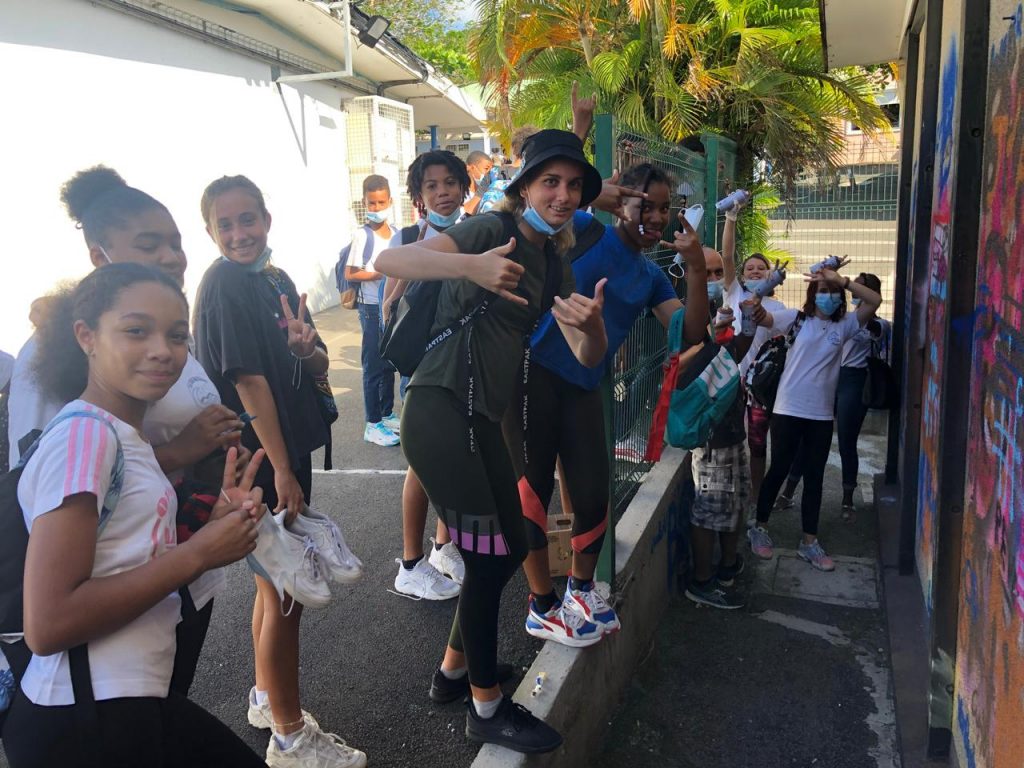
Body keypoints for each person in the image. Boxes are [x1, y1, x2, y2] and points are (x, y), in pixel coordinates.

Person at [374, 129, 609, 753]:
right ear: (525, 186)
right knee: (487, 558)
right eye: (550, 182)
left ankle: (454, 672)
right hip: (440, 410)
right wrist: (469, 265)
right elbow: (391, 263)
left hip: (482, 420)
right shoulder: (488, 230)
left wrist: (593, 329)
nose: (562, 195)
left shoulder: (554, 261)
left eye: (573, 185)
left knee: (511, 547)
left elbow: (585, 354)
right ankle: (485, 706)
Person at [4, 262, 267, 768]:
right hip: (84, 720)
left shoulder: (122, 436)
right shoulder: (86, 437)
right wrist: (197, 554)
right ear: (86, 336)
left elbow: (121, 562)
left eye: (177, 335)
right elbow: (49, 623)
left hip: (126, 704)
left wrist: (214, 526)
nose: (163, 350)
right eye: (136, 330)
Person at [9, 166, 248, 697]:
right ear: (99, 256)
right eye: (149, 244)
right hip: (106, 621)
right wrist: (181, 449)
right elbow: (44, 479)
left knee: (166, 700)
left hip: (179, 575)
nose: (171, 256)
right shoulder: (54, 354)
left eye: (176, 243)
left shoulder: (167, 334)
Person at [194, 175, 366, 768]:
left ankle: (267, 699)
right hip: (261, 460)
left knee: (273, 586)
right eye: (225, 224)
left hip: (281, 451)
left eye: (248, 219)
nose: (239, 232)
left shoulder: (275, 279)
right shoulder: (223, 286)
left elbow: (316, 361)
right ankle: (291, 737)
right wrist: (285, 471)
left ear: (267, 219)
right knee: (289, 591)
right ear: (210, 232)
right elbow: (247, 383)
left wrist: (303, 349)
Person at [505, 163, 705, 644]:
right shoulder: (584, 230)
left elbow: (690, 332)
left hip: (584, 385)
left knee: (594, 494)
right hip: (532, 375)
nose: (656, 217)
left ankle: (580, 590)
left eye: (665, 208)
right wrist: (592, 193)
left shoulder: (651, 276)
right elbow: (529, 208)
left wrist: (697, 268)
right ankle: (541, 605)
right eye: (646, 205)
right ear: (621, 203)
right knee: (531, 493)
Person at [747, 261, 882, 571]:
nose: (828, 296)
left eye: (833, 292)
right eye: (823, 290)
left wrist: (842, 280)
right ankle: (759, 528)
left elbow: (874, 300)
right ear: (812, 293)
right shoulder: (795, 319)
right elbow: (759, 314)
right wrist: (764, 287)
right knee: (779, 469)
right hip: (787, 409)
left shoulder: (846, 325)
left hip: (820, 414)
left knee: (815, 477)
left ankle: (809, 542)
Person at [382, 151, 470, 601]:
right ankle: (411, 562)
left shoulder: (477, 231)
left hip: (464, 366)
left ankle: (443, 546)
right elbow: (389, 302)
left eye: (450, 182)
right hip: (423, 369)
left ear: (464, 186)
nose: (443, 192)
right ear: (419, 195)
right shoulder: (408, 237)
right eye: (431, 185)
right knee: (422, 463)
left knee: (455, 459)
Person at [774, 273, 890, 521]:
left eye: (859, 287)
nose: (853, 292)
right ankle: (788, 491)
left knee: (847, 440)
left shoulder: (875, 324)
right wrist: (829, 284)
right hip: (829, 377)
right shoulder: (839, 320)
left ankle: (847, 498)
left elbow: (873, 306)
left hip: (854, 380)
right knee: (806, 440)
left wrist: (846, 284)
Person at [722, 247, 789, 505]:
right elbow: (727, 256)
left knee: (758, 443)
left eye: (761, 268)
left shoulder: (777, 308)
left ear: (771, 275)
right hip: (731, 381)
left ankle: (756, 496)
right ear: (742, 275)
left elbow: (780, 349)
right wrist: (730, 221)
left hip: (759, 388)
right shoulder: (735, 295)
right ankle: (731, 489)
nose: (755, 271)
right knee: (729, 439)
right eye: (750, 268)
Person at [345, 174, 401, 447]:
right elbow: (351, 273)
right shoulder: (362, 235)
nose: (377, 208)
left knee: (389, 363)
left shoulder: (397, 233)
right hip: (370, 308)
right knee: (373, 366)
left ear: (390, 201)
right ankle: (373, 423)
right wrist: (379, 273)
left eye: (381, 202)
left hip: (390, 307)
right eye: (372, 203)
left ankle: (387, 413)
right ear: (364, 203)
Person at [463, 151, 494, 215]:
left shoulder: (485, 189)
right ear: (471, 167)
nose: (489, 172)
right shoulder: (461, 192)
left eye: (491, 169)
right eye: (486, 168)